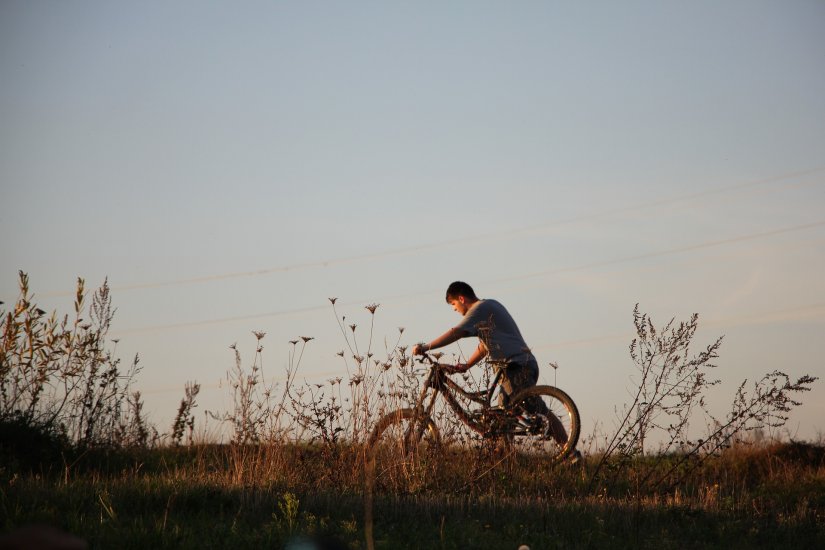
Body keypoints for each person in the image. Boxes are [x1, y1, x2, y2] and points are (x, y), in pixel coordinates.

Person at [412, 281, 579, 461]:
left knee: (536, 409)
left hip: (514, 366)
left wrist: (426, 347)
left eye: (453, 304)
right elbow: (484, 347)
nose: (454, 309)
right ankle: (501, 460)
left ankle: (571, 454)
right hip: (519, 364)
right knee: (500, 422)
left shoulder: (479, 308)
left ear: (461, 298)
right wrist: (467, 365)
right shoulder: (490, 306)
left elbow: (456, 332)